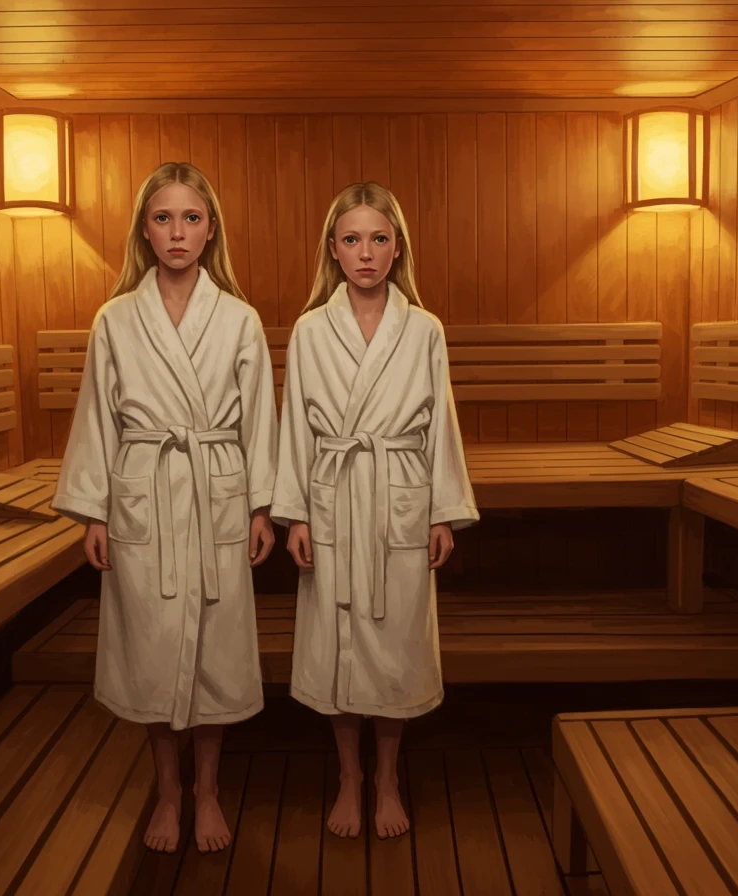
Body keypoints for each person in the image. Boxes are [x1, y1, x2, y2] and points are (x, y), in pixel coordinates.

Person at [52, 162, 277, 855]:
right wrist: (95, 512)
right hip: (143, 493)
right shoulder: (116, 318)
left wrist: (260, 508)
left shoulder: (238, 318)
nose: (177, 232)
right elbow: (98, 418)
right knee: (150, 642)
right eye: (163, 218)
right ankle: (168, 792)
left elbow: (259, 420)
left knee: (214, 643)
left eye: (190, 218)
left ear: (211, 231)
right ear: (144, 232)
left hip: (215, 492)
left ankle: (206, 790)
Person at [271, 182, 478, 840]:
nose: (365, 252)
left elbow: (441, 425)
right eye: (352, 239)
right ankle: (349, 777)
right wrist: (296, 514)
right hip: (333, 495)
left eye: (379, 239)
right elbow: (294, 428)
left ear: (398, 249)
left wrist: (440, 511)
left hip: (399, 496)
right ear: (332, 250)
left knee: (395, 644)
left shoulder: (424, 329)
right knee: (337, 642)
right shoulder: (310, 330)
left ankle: (387, 777)